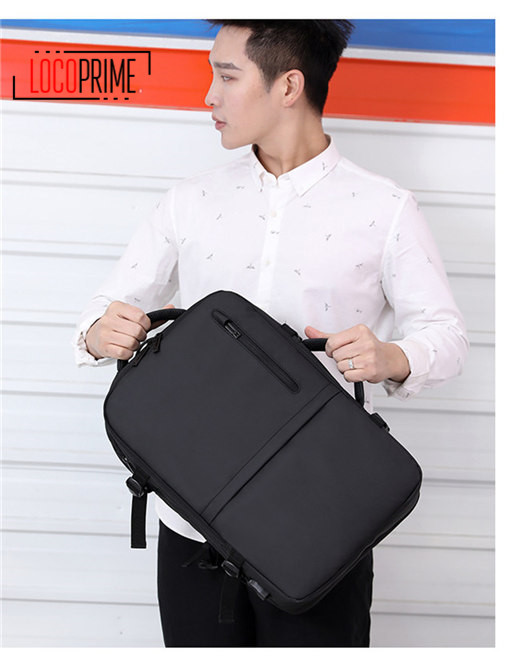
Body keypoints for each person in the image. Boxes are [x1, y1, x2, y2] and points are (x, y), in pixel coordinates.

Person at [73, 19, 469, 648]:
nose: (209, 95)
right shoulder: (189, 200)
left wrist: (391, 355)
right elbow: (105, 308)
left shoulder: (384, 207)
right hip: (194, 512)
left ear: (288, 86)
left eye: (227, 76)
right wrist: (101, 332)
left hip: (320, 519)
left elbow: (445, 335)